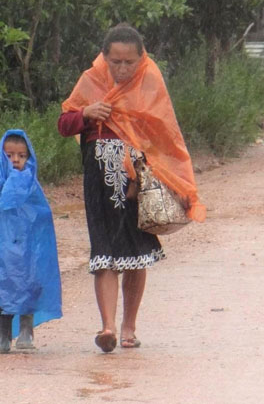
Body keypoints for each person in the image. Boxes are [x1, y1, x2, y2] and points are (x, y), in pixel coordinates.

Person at [57, 24, 205, 353]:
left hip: (138, 182)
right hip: (98, 182)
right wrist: (85, 113)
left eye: (129, 62)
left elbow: (165, 135)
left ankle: (128, 327)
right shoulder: (90, 81)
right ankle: (108, 327)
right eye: (115, 62)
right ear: (103, 57)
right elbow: (64, 124)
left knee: (136, 253)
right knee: (104, 252)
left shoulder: (150, 82)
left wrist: (173, 180)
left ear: (142, 59)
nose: (122, 69)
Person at [0, 130, 63, 354]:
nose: (15, 160)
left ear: (29, 157)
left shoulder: (31, 184)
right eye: (9, 156)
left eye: (21, 155)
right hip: (0, 250)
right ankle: (4, 336)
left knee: (29, 285)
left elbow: (41, 216)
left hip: (27, 250)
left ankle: (26, 332)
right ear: (1, 156)